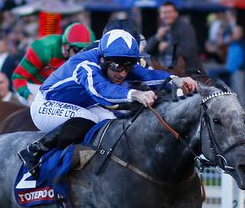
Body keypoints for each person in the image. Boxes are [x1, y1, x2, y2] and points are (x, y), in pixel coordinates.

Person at [21, 29, 197, 174]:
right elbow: (101, 91)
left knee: (112, 124)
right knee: (86, 118)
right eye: (117, 67)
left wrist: (176, 80)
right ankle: (35, 151)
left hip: (79, 105)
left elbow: (147, 75)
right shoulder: (85, 65)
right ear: (103, 60)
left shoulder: (116, 60)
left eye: (127, 67)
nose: (122, 73)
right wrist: (135, 94)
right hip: (45, 105)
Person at [11, 23, 95, 101]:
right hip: (34, 86)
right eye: (77, 49)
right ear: (66, 46)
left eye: (86, 50)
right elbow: (18, 76)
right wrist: (28, 96)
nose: (81, 55)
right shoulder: (43, 48)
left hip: (58, 89)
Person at [149, 1, 203, 73]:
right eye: (164, 12)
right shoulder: (163, 29)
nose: (167, 15)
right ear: (160, 15)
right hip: (166, 71)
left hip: (187, 73)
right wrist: (157, 37)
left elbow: (188, 52)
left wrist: (167, 47)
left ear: (176, 13)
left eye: (170, 12)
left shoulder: (186, 28)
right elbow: (148, 50)